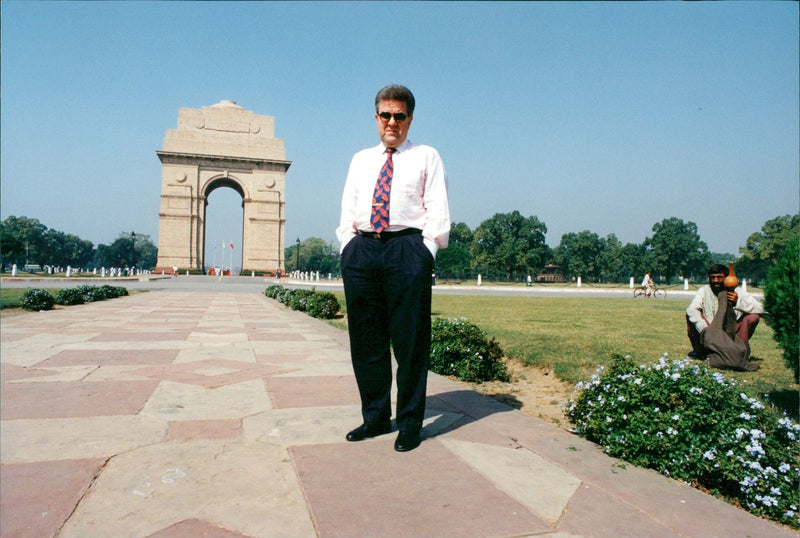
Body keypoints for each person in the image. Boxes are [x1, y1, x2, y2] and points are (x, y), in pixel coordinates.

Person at [336, 84, 450, 452]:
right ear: (376, 117)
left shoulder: (426, 156)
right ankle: (375, 418)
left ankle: (410, 423)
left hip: (406, 249)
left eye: (399, 116)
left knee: (410, 341)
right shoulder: (360, 159)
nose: (392, 122)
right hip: (363, 250)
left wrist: (425, 252)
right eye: (385, 114)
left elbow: (437, 208)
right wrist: (347, 246)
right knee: (366, 342)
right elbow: (348, 207)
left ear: (410, 119)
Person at [686, 263, 764, 370]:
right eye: (713, 278)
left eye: (719, 277)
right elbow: (692, 309)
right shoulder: (704, 291)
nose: (716, 281)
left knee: (752, 317)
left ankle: (740, 353)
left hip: (731, 335)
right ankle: (703, 353)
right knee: (690, 316)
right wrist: (704, 329)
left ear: (726, 278)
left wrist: (738, 302)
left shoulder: (736, 291)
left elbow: (760, 309)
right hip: (710, 334)